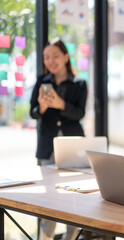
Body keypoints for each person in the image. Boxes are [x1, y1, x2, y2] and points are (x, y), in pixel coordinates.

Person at [30, 38, 87, 240]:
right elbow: (34, 113)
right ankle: (44, 238)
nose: (50, 61)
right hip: (48, 146)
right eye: (46, 57)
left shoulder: (79, 84)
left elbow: (80, 113)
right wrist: (43, 106)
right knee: (49, 197)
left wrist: (61, 104)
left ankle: (71, 237)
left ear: (65, 56)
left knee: (74, 196)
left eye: (55, 55)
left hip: (73, 146)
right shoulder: (41, 82)